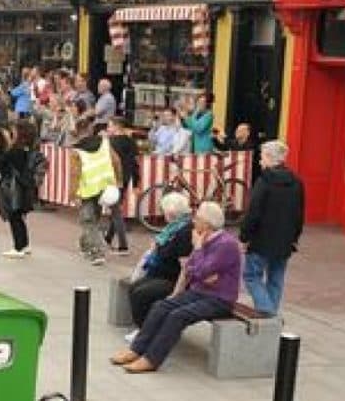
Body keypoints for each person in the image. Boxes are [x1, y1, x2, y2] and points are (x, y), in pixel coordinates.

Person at [111, 201, 242, 373]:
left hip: (219, 299)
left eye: (197, 218)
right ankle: (136, 350)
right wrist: (196, 274)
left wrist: (198, 250)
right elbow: (190, 268)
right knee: (160, 306)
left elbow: (200, 271)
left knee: (177, 316)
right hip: (200, 291)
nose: (193, 221)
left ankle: (151, 360)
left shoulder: (226, 244)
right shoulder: (205, 239)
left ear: (207, 224)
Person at [240, 140, 305, 317]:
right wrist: (295, 238)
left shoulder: (264, 181)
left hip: (261, 240)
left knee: (251, 276)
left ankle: (267, 311)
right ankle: (271, 314)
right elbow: (299, 214)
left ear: (269, 158)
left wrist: (244, 236)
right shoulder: (297, 182)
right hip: (285, 240)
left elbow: (253, 213)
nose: (260, 161)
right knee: (276, 279)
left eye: (262, 157)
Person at [125, 192, 194, 342]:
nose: (163, 214)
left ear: (171, 212)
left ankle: (146, 332)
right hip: (161, 273)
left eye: (164, 211)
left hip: (173, 279)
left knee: (141, 294)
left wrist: (177, 291)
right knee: (134, 287)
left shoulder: (184, 232)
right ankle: (146, 327)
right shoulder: (174, 227)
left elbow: (186, 267)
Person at [69, 117, 120, 266]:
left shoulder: (76, 151)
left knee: (87, 220)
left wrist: (73, 193)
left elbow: (75, 174)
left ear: (77, 133)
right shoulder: (105, 143)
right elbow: (116, 161)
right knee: (94, 218)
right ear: (91, 130)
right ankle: (85, 244)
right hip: (105, 185)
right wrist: (118, 180)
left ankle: (97, 252)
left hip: (87, 188)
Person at [0, 121, 38, 258]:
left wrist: (1, 144)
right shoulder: (28, 149)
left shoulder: (16, 150)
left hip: (14, 187)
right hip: (23, 186)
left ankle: (18, 246)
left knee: (14, 216)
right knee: (19, 216)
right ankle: (24, 244)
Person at [104, 117, 139, 254]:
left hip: (112, 179)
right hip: (125, 179)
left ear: (117, 127)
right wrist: (136, 182)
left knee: (116, 211)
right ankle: (107, 238)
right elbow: (135, 164)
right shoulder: (131, 142)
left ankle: (123, 245)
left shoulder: (110, 143)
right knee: (115, 208)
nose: (108, 128)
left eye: (110, 126)